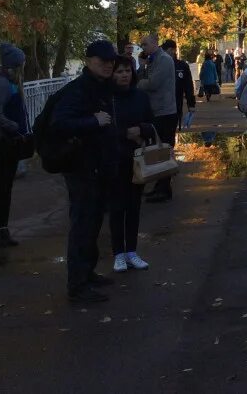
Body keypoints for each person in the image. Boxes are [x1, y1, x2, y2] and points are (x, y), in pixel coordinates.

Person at [51, 39, 118, 303]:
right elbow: (60, 123)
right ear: (89, 61)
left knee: (93, 222)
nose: (108, 65)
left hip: (96, 166)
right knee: (83, 224)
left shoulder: (99, 87)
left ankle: (87, 273)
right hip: (81, 168)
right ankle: (77, 285)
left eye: (111, 61)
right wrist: (93, 121)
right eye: (102, 61)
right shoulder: (79, 90)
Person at [107, 55, 155, 273]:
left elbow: (151, 122)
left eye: (127, 70)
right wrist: (125, 133)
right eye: (119, 71)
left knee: (134, 206)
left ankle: (132, 251)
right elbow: (102, 127)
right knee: (116, 206)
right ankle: (118, 253)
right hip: (115, 158)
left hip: (137, 158)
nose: (124, 75)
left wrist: (142, 130)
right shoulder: (108, 99)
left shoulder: (140, 96)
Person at [0, 42, 30, 249]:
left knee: (6, 189)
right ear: (14, 65)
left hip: (7, 143)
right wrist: (13, 125)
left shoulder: (9, 82)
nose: (23, 67)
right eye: (22, 64)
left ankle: (2, 230)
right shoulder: (1, 84)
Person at [139, 33, 179, 203]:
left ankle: (163, 188)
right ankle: (160, 186)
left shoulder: (163, 60)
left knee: (163, 150)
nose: (143, 48)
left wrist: (137, 83)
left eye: (145, 44)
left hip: (164, 111)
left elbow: (153, 83)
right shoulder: (154, 59)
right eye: (141, 45)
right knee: (158, 149)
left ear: (155, 43)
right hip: (159, 110)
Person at [162, 40, 195, 130]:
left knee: (172, 129)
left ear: (173, 50)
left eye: (166, 50)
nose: (164, 52)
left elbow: (188, 86)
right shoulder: (159, 65)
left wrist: (191, 104)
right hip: (161, 104)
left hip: (176, 103)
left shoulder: (182, 66)